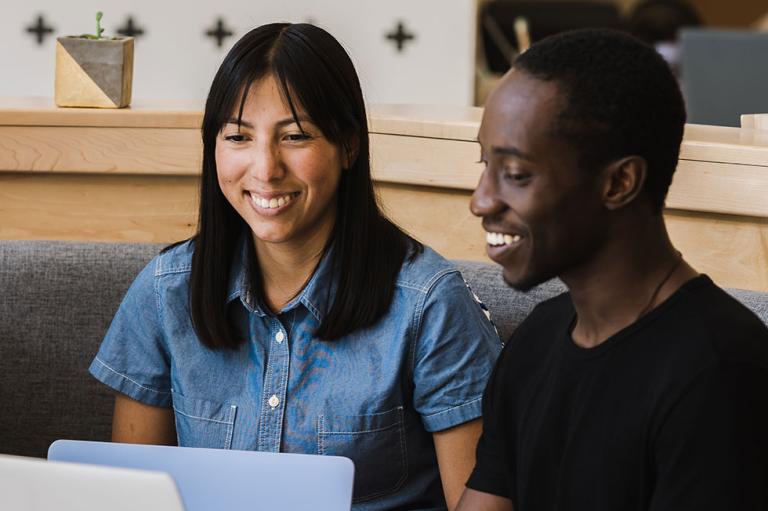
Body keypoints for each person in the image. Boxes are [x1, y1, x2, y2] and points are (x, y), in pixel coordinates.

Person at [89, 23, 500, 510]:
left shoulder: (429, 304)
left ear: (348, 145)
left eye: (296, 136)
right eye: (239, 136)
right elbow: (128, 500)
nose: (265, 169)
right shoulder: (164, 292)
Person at [458, 28, 768, 511]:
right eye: (485, 165)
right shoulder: (537, 339)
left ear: (620, 182)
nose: (481, 201)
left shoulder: (722, 372)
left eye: (515, 175)